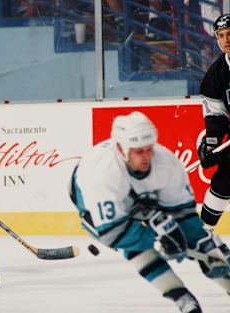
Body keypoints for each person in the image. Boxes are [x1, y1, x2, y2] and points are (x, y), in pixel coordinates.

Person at [69, 111, 230, 313]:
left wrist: (201, 244)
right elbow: (113, 234)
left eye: (149, 148)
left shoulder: (166, 162)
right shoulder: (100, 176)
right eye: (138, 151)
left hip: (136, 191)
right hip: (86, 196)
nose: (147, 156)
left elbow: (185, 217)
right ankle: (182, 298)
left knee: (201, 240)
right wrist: (160, 237)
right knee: (138, 249)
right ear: (121, 148)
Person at [198, 14, 230, 232]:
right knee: (225, 178)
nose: (226, 39)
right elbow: (216, 117)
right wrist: (211, 145)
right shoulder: (215, 76)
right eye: (221, 36)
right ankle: (204, 233)